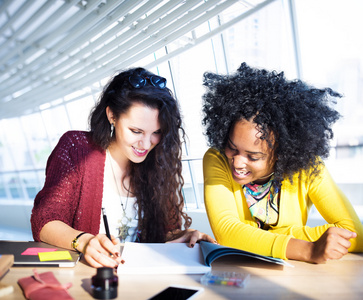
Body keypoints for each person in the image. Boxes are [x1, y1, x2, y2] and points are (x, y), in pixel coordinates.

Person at [31, 67, 215, 268]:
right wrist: (84, 242)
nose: (146, 144)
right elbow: (45, 220)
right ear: (112, 116)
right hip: (90, 279)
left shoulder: (159, 162)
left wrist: (183, 236)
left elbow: (164, 233)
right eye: (136, 131)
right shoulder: (77, 148)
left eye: (157, 132)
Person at [201, 62, 363, 264]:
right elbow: (228, 233)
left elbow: (355, 233)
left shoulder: (308, 167)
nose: (237, 162)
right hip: (241, 273)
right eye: (232, 148)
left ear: (282, 154)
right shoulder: (216, 159)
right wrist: (307, 249)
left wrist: (254, 236)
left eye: (253, 157)